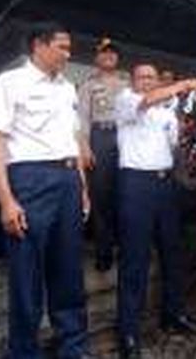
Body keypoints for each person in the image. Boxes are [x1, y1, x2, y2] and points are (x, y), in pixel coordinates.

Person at [0, 22, 93, 358]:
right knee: (26, 273)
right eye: (61, 46)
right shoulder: (10, 82)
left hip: (68, 180)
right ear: (38, 46)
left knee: (69, 269)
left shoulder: (66, 88)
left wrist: (83, 189)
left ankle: (72, 347)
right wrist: (6, 201)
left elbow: (73, 141)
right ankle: (23, 351)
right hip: (29, 180)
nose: (67, 53)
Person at [114, 62, 196, 359]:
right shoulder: (126, 100)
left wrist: (185, 119)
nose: (146, 81)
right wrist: (187, 84)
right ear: (133, 80)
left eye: (151, 77)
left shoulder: (166, 111)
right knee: (135, 259)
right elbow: (146, 100)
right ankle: (128, 332)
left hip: (165, 183)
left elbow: (174, 144)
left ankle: (174, 314)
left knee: (173, 252)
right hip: (136, 185)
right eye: (141, 76)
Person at [77, 37, 129, 272]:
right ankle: (104, 253)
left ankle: (127, 249)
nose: (109, 56)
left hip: (126, 139)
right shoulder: (88, 85)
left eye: (113, 53)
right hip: (101, 137)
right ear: (96, 58)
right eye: (104, 53)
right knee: (101, 197)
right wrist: (85, 147)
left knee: (126, 195)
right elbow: (82, 120)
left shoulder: (127, 82)